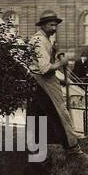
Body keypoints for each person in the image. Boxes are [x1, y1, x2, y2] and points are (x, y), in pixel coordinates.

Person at [29, 11, 79, 151]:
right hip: (43, 84)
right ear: (43, 26)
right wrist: (61, 62)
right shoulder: (39, 41)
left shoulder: (45, 40)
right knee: (60, 114)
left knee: (41, 117)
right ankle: (73, 150)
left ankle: (41, 150)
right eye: (51, 25)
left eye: (55, 25)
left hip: (40, 83)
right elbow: (45, 69)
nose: (54, 28)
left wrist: (61, 79)